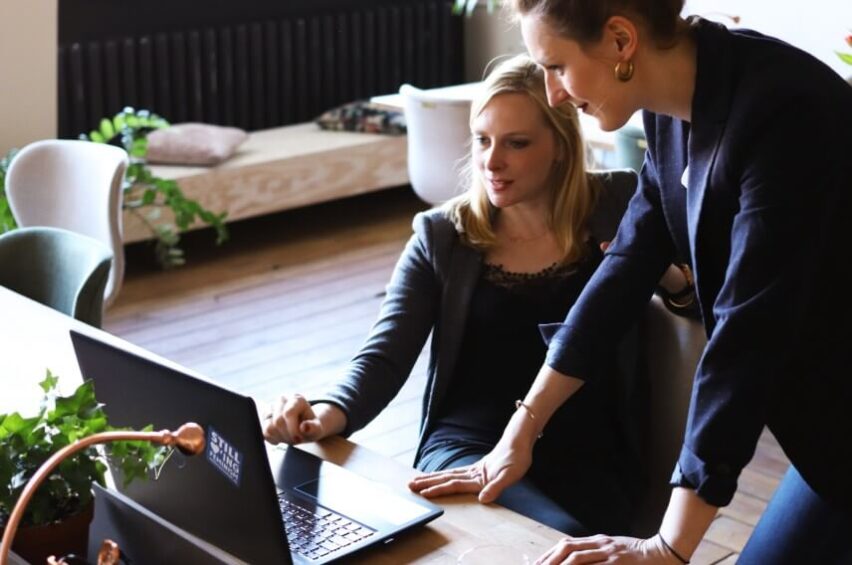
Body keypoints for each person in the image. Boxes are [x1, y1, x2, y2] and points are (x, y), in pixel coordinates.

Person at [409, 1, 852, 564]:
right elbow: (626, 266)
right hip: (827, 433)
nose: (553, 95)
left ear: (621, 41)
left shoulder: (785, 111)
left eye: (558, 67)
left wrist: (667, 548)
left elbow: (747, 338)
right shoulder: (673, 111)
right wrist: (521, 432)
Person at [264, 54, 650, 536]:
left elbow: (697, 304)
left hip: (591, 451)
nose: (492, 161)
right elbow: (384, 356)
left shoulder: (620, 204)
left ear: (561, 146)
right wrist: (324, 414)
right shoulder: (443, 235)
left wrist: (674, 279)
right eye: (482, 140)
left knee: (564, 535)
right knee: (548, 536)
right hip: (469, 448)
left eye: (517, 143)